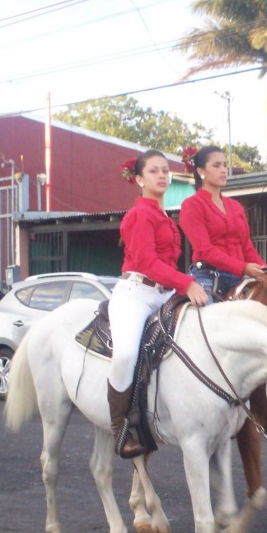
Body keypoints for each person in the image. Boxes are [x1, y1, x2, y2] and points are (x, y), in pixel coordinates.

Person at [109, 149, 208, 458]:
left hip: (163, 292)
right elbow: (148, 263)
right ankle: (120, 428)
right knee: (125, 354)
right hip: (136, 294)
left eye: (165, 170)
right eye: (154, 171)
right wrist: (186, 283)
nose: (162, 175)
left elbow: (167, 264)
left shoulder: (166, 217)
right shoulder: (138, 215)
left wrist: (185, 282)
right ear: (139, 179)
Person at [178, 145, 267, 302]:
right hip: (208, 276)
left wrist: (265, 270)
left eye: (225, 165)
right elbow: (205, 249)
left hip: (240, 277)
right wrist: (244, 267)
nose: (223, 170)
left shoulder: (236, 206)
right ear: (201, 171)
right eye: (216, 165)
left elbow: (247, 247)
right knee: (207, 320)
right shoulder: (191, 205)